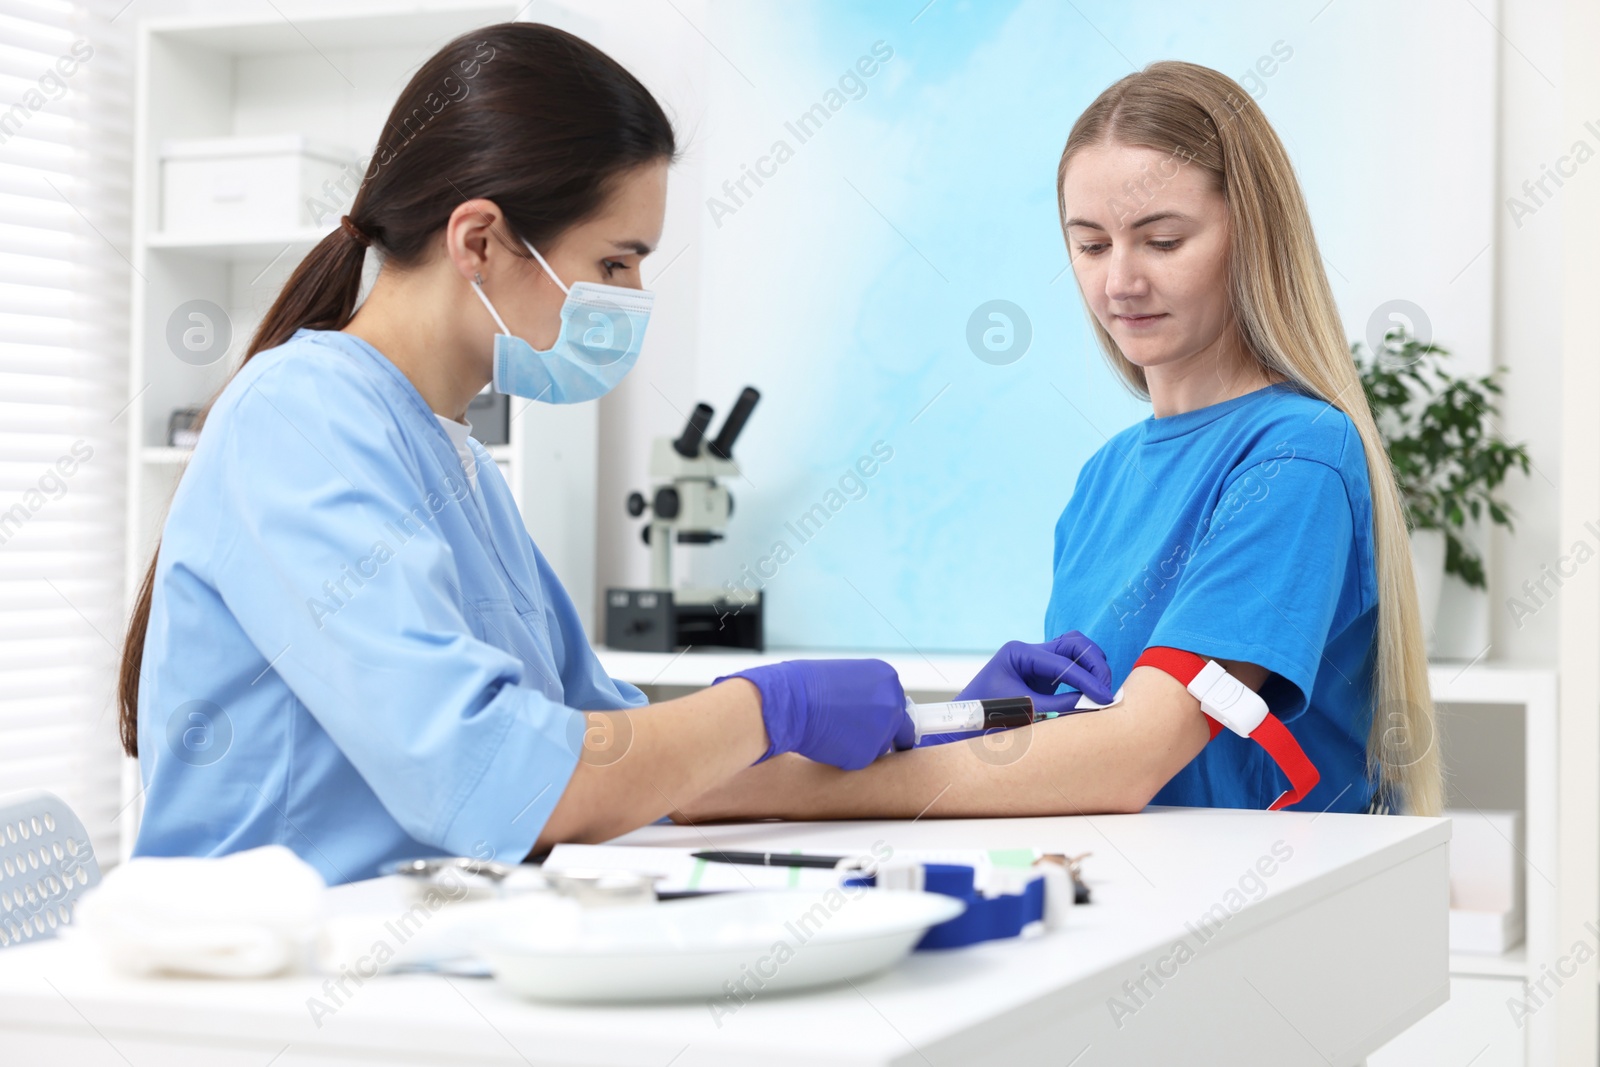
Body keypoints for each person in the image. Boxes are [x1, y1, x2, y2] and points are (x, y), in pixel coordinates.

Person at [117, 24, 1118, 886]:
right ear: (479, 240)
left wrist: (952, 719)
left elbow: (640, 771)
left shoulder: (456, 465)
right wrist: (765, 700)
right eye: (614, 261)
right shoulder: (296, 423)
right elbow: (504, 777)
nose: (632, 297)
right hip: (266, 986)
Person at [677, 61, 1442, 824]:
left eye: (1163, 240)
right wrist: (985, 726)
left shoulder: (1295, 454)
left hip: (1259, 911)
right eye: (1091, 245)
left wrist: (798, 792)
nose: (1120, 283)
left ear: (1253, 236)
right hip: (1134, 893)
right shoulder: (1102, 480)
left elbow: (1135, 755)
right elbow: (1085, 755)